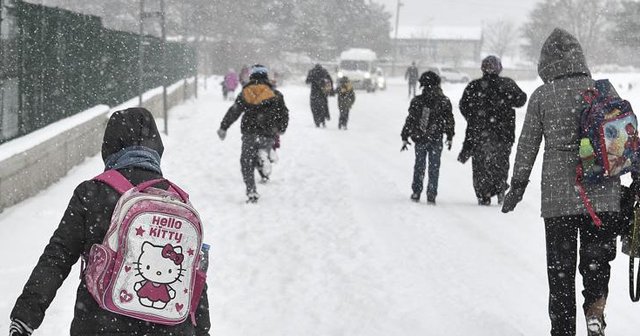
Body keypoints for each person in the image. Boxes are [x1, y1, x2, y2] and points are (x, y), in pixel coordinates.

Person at [9, 108, 211, 336]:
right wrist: (202, 331)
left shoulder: (92, 193)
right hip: (169, 329)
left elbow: (57, 257)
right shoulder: (177, 202)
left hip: (100, 324)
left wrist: (25, 316)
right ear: (156, 148)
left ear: (110, 146)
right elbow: (194, 278)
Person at [501, 28, 622, 336]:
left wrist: (517, 185)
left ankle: (562, 329)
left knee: (561, 271)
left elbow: (527, 145)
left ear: (546, 63)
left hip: (559, 199)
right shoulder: (602, 91)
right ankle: (595, 312)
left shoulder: (543, 96)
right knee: (596, 263)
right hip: (603, 194)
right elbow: (622, 138)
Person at [459, 55, 527, 206]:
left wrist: (474, 118)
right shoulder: (507, 84)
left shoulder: (474, 86)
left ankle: (484, 193)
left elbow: (463, 106)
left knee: (480, 165)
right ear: (499, 68)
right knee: (501, 163)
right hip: (504, 133)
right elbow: (521, 99)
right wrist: (507, 101)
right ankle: (500, 187)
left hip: (479, 133)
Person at [217, 64, 289, 203]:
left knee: (246, 162)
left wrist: (223, 127)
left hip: (250, 132)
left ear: (252, 76)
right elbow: (283, 114)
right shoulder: (276, 94)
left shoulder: (246, 92)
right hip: (268, 133)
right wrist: (281, 128)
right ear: (266, 76)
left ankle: (251, 191)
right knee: (262, 151)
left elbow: (234, 111)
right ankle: (265, 157)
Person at [401, 71, 454, 204]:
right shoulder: (444, 101)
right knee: (434, 166)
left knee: (419, 165)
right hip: (436, 137)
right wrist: (450, 135)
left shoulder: (418, 101)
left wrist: (405, 135)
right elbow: (449, 120)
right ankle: (431, 193)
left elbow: (410, 119)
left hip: (420, 137)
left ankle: (416, 191)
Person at [305, 64, 333, 128]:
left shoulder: (312, 72)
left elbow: (307, 81)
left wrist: (313, 79)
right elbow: (330, 81)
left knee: (314, 108)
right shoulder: (324, 72)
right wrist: (331, 91)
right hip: (323, 93)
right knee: (323, 107)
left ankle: (317, 122)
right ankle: (323, 120)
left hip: (314, 93)